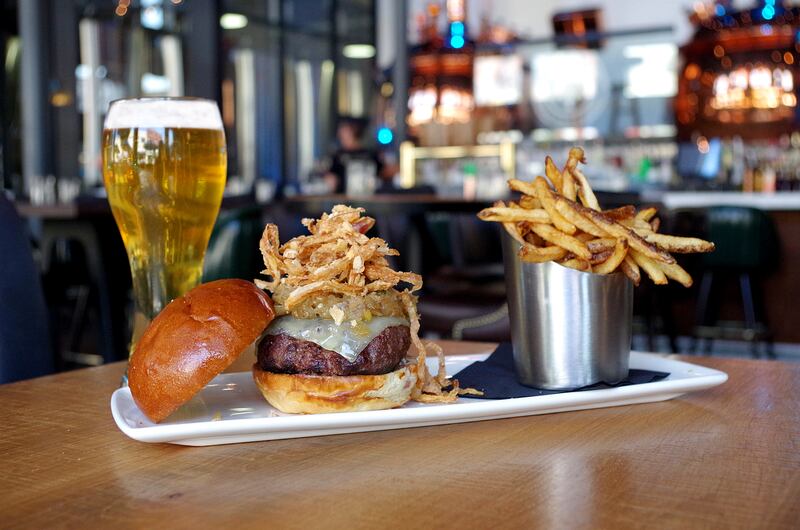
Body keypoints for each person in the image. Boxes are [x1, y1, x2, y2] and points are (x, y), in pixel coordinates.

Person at [324, 117, 385, 194]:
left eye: (344, 131)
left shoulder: (370, 154)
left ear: (353, 131)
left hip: (367, 198)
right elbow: (330, 178)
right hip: (343, 199)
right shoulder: (337, 155)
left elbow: (382, 173)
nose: (339, 134)